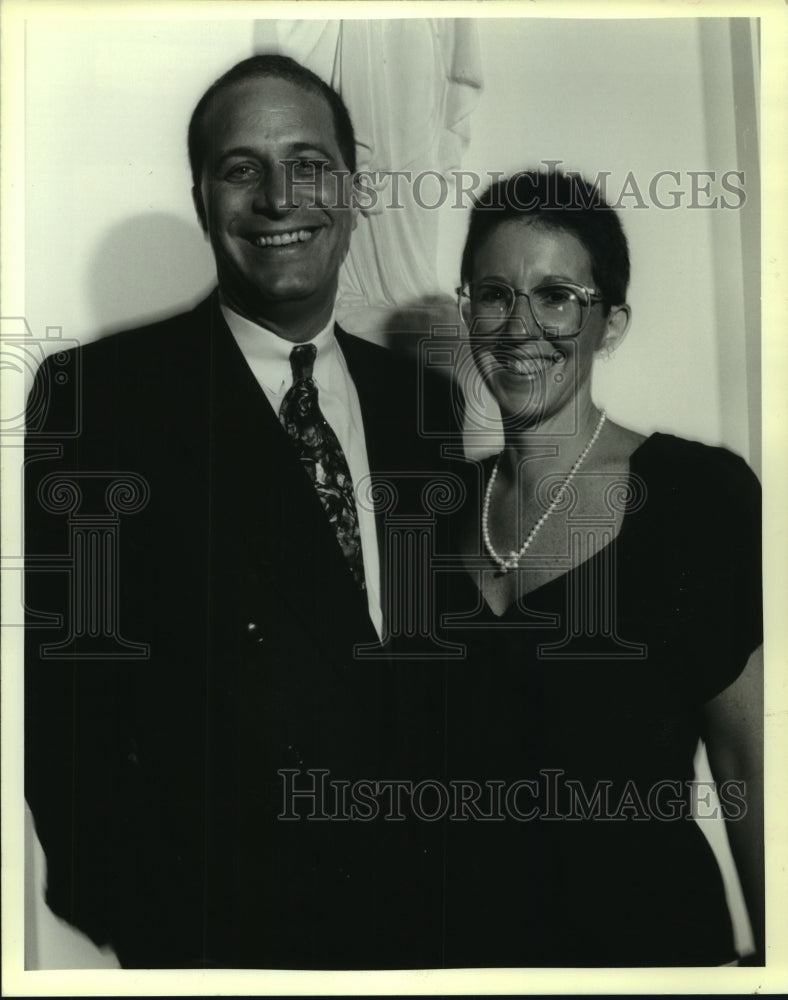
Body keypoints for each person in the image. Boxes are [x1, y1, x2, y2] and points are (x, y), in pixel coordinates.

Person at [24, 54, 457, 970]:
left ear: (352, 188)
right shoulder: (100, 398)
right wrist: (135, 911)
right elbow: (66, 695)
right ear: (201, 198)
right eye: (240, 167)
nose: (277, 197)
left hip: (423, 919)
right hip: (221, 932)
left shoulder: (421, 402)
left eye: (307, 162)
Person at [433, 168, 764, 967]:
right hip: (473, 966)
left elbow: (746, 761)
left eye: (556, 297)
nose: (519, 328)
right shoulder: (435, 516)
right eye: (493, 294)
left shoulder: (694, 497)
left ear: (610, 324)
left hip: (654, 960)